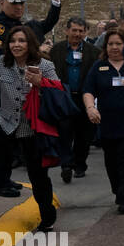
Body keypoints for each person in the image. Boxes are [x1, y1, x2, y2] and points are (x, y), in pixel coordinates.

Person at [0, 25, 60, 227]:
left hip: (31, 126)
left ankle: (47, 216)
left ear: (30, 44)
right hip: (6, 121)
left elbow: (59, 91)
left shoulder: (44, 65)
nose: (16, 45)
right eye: (13, 41)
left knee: (37, 173)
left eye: (21, 40)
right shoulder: (2, 63)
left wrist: (40, 82)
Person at [0, 0, 62, 198]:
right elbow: (3, 60)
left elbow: (45, 25)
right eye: (14, 3)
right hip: (1, 89)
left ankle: (2, 177)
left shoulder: (19, 24)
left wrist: (55, 3)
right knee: (3, 139)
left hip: (19, 89)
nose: (19, 7)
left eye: (21, 3)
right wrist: (35, 51)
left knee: (12, 140)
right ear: (2, 2)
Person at [82, 28, 124, 214]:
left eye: (119, 43)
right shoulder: (99, 66)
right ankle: (118, 190)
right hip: (107, 123)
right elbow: (88, 90)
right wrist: (90, 108)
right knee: (111, 162)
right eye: (111, 44)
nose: (114, 47)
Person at [50, 17, 95, 184]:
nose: (77, 34)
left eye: (81, 31)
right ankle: (66, 165)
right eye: (74, 30)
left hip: (85, 98)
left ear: (85, 32)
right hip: (64, 97)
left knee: (84, 134)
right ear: (67, 30)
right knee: (64, 132)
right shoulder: (56, 50)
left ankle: (80, 164)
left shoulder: (93, 51)